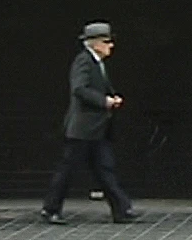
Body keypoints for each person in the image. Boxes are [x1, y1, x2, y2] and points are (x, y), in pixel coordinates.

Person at [40, 22, 137, 225]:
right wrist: (105, 101)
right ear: (95, 44)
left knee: (105, 168)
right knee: (68, 170)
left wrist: (110, 98)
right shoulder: (83, 62)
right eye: (107, 41)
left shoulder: (97, 64)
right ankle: (51, 209)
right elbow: (79, 89)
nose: (111, 46)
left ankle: (121, 209)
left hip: (97, 129)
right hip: (82, 129)